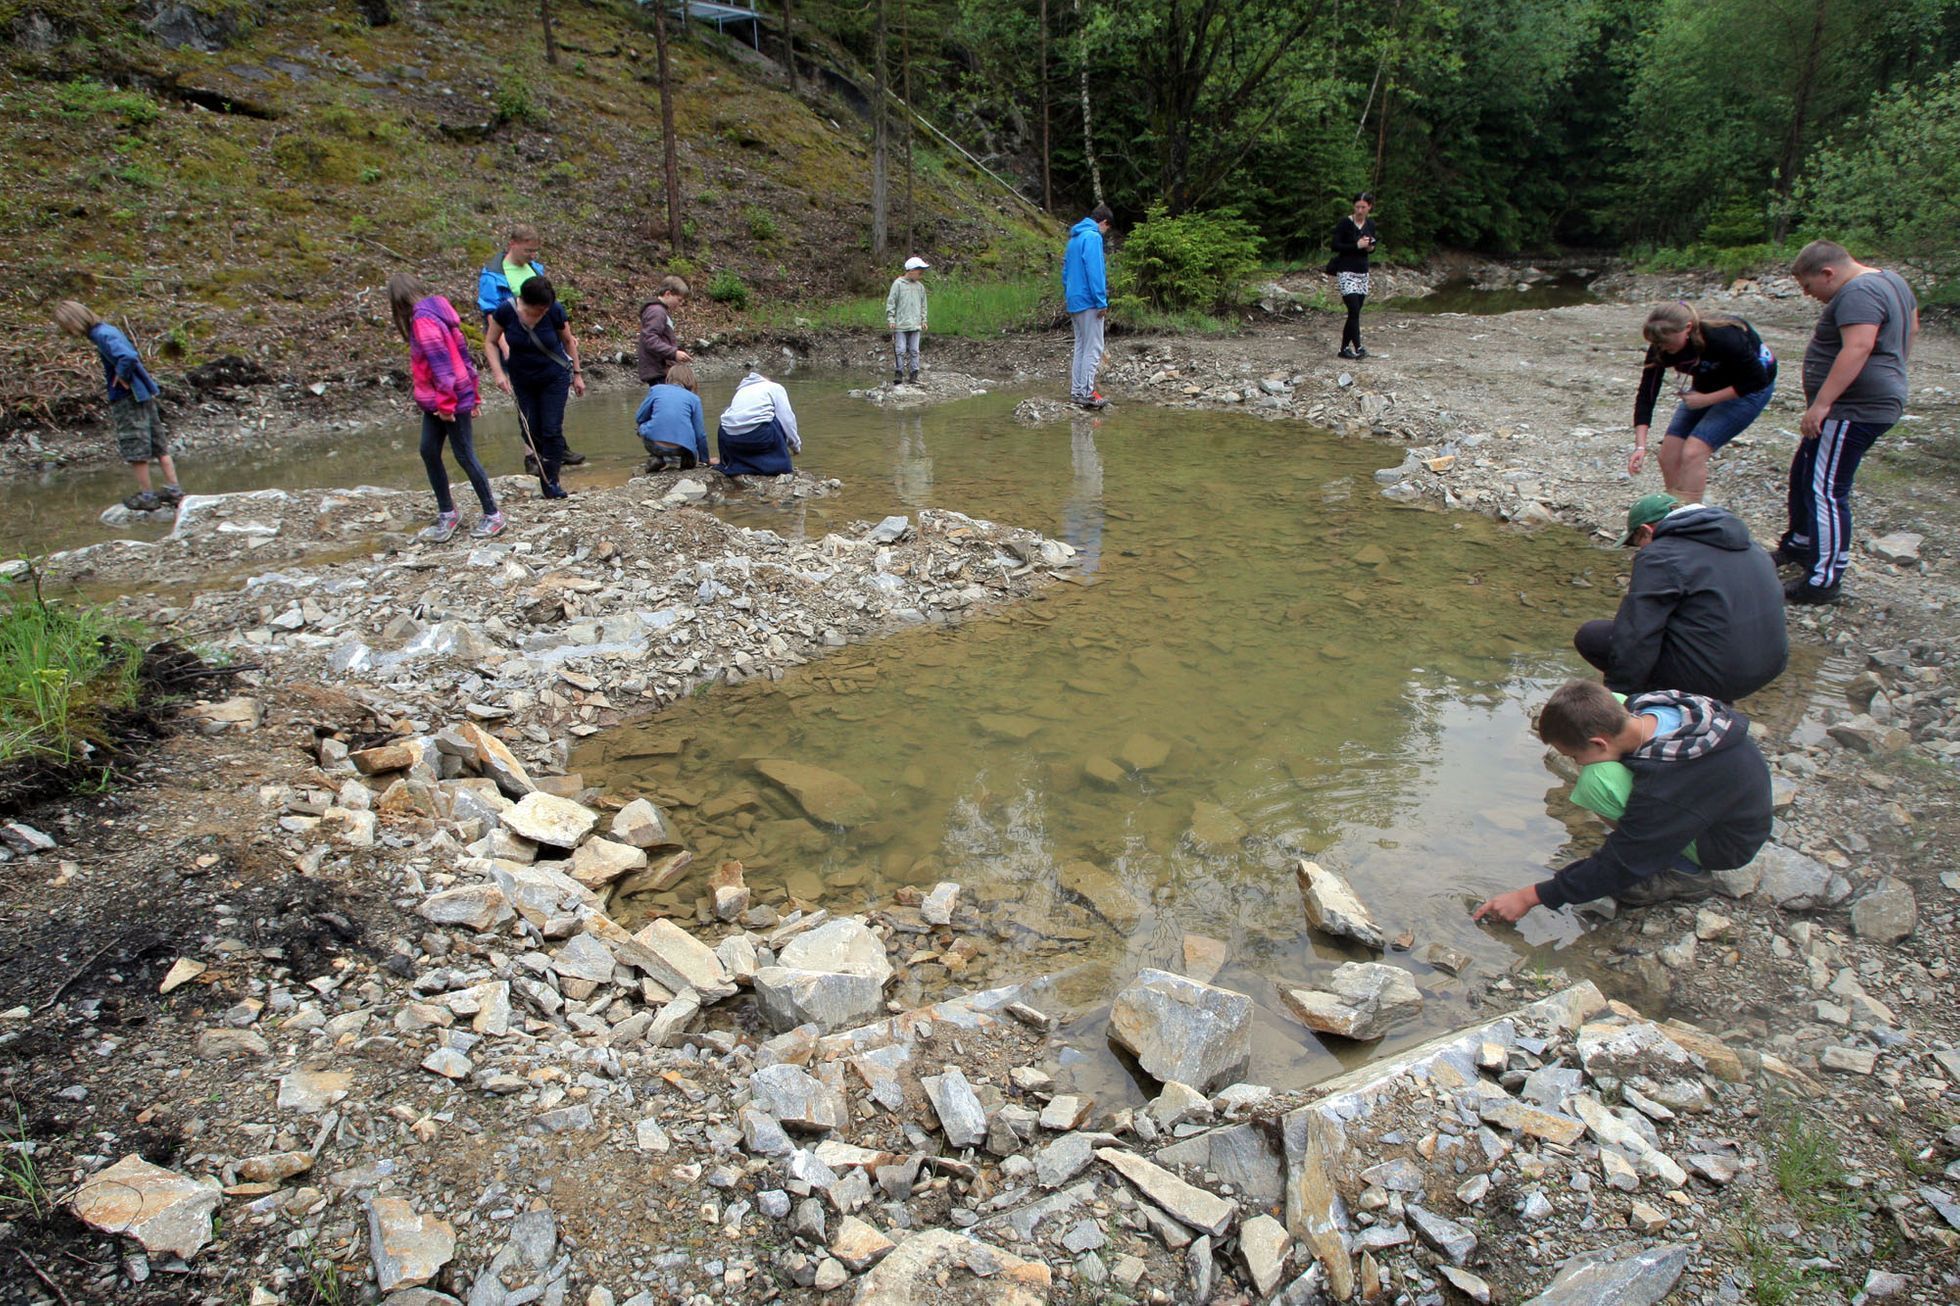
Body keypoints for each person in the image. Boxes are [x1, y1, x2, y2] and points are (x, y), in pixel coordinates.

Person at [1472, 679, 1771, 920]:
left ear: (1598, 742)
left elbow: (1622, 861)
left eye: (1575, 756)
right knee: (1614, 707)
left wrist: (1530, 896)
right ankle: (1662, 843)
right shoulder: (1649, 704)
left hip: (1724, 843)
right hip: (1715, 801)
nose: (1576, 763)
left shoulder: (1664, 785)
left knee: (1597, 781)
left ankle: (1685, 871)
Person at [1774, 240, 1919, 605]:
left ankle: (1823, 580)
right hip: (1863, 401)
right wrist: (1893, 368)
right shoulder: (1891, 281)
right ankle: (1802, 542)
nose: (1809, 295)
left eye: (1809, 287)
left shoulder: (1858, 291)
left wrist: (1822, 404)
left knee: (1826, 489)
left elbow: (1858, 346)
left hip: (1853, 408)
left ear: (1828, 273)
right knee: (1805, 469)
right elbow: (1912, 328)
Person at [1572, 493, 1787, 703]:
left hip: (1715, 678)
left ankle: (1664, 702)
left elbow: (1637, 634)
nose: (1639, 551)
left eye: (1638, 543)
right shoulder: (1751, 546)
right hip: (1768, 667)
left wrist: (1618, 696)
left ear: (1647, 531)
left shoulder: (1660, 555)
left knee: (1593, 636)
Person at [388, 273, 502, 541]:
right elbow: (463, 356)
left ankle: (493, 514)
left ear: (398, 302)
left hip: (447, 400)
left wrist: (450, 404)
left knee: (464, 455)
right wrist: (472, 395)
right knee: (428, 451)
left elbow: (442, 367)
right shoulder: (438, 313)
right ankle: (447, 512)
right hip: (442, 400)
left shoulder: (424, 321)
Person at [1628, 301, 1777, 503]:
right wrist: (1640, 447)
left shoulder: (1723, 336)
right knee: (1668, 455)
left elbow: (1758, 380)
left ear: (1687, 328)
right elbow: (1647, 393)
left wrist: (1707, 400)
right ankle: (1677, 509)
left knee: (1693, 451)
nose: (1664, 348)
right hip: (1707, 386)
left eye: (1667, 342)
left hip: (1749, 388)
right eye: (1659, 344)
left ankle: (1692, 518)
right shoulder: (1661, 347)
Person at [52, 300, 183, 512]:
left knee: (135, 446)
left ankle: (147, 495)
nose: (67, 332)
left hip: (128, 397)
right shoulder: (107, 330)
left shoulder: (101, 334)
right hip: (143, 393)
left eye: (66, 327)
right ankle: (174, 490)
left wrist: (121, 376)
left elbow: (128, 356)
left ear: (73, 322)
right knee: (159, 444)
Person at [476, 224, 585, 465]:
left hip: (544, 343)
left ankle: (557, 447)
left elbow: (547, 303)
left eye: (535, 251)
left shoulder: (535, 269)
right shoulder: (493, 275)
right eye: (528, 250)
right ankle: (532, 455)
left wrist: (565, 335)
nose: (533, 255)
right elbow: (493, 317)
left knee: (551, 401)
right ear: (513, 244)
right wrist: (505, 350)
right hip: (514, 341)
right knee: (528, 405)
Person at [483, 276, 586, 499]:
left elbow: (568, 341)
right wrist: (499, 373)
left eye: (545, 309)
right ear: (525, 303)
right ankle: (544, 466)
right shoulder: (506, 311)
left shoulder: (555, 310)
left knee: (551, 428)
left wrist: (577, 374)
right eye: (538, 310)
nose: (542, 313)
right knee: (530, 429)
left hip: (554, 376)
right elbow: (490, 341)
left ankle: (551, 483)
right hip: (523, 378)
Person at [1063, 204, 1112, 410]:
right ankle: (1087, 393)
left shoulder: (1073, 239)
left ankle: (1077, 391)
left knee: (1081, 347)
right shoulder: (1092, 237)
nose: (1105, 232)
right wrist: (1101, 301)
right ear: (1104, 223)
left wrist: (1070, 294)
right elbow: (1095, 271)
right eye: (1107, 229)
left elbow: (1065, 273)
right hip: (1089, 301)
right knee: (1094, 347)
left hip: (1074, 300)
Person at [716, 365, 801, 476]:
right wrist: (795, 445)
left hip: (729, 439)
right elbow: (787, 419)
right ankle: (777, 465)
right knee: (774, 419)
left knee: (728, 416)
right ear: (767, 379)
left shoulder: (742, 390)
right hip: (759, 438)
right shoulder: (774, 387)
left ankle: (733, 464)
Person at [1329, 193, 1378, 359]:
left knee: (1355, 313)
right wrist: (1356, 245)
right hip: (1346, 271)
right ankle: (1358, 347)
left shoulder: (1370, 223)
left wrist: (1369, 247)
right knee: (1354, 309)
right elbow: (1335, 245)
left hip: (1362, 272)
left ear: (1369, 207)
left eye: (1363, 207)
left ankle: (1344, 349)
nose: (1359, 210)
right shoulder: (1345, 223)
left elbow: (1373, 245)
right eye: (1357, 206)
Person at [635, 361, 708, 472]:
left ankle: (657, 457)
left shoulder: (656, 390)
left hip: (654, 445)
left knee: (642, 426)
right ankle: (686, 459)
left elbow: (640, 417)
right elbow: (700, 434)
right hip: (683, 448)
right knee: (689, 429)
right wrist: (705, 460)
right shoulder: (694, 399)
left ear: (669, 377)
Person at [638, 276, 692, 386]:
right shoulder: (657, 312)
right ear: (668, 294)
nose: (680, 304)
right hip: (658, 370)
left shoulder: (660, 311)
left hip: (660, 368)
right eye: (679, 300)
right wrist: (673, 353)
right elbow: (650, 339)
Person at [886, 256, 930, 386]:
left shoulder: (920, 287)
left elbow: (923, 305)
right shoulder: (898, 284)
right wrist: (891, 319)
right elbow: (891, 302)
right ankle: (899, 372)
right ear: (910, 270)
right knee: (900, 350)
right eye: (919, 271)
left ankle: (914, 374)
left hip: (915, 324)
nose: (921, 274)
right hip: (901, 324)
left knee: (914, 350)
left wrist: (924, 320)